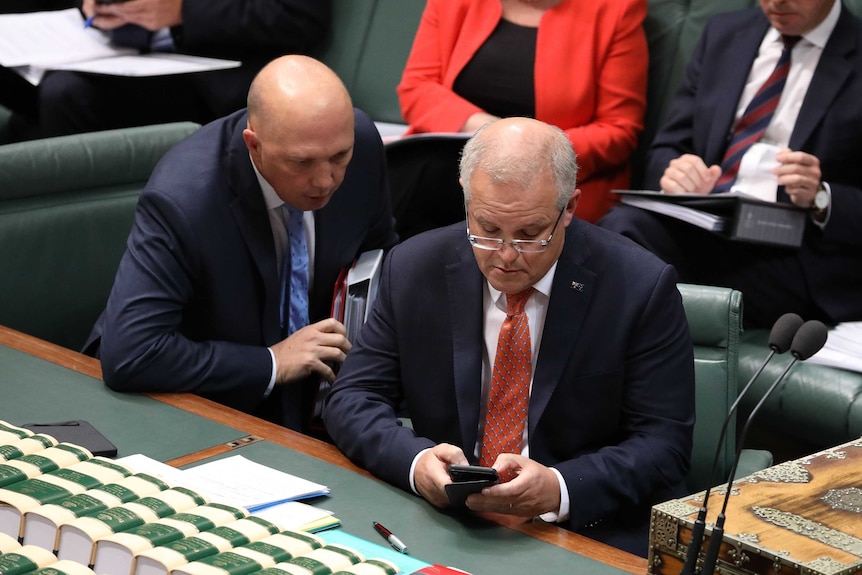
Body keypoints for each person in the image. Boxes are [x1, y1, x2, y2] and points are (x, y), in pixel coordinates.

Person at [323, 117, 695, 557]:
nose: (504, 256)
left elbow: (664, 444)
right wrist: (416, 463)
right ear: (466, 197)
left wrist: (559, 487)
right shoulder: (414, 267)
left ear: (569, 207)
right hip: (439, 522)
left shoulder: (640, 287)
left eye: (530, 235)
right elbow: (352, 397)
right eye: (486, 229)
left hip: (579, 533)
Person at [83, 55, 398, 435]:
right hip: (201, 408)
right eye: (301, 163)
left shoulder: (361, 144)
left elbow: (381, 257)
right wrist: (272, 362)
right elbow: (133, 353)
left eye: (338, 157)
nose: (325, 180)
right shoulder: (185, 198)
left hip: (325, 406)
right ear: (254, 145)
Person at [599, 0, 862, 329]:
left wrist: (822, 197)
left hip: (798, 254)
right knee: (621, 227)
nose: (777, 2)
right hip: (707, 225)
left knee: (634, 286)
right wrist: (677, 171)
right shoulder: (725, 34)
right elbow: (668, 146)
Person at [395, 0, 648, 224]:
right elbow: (417, 88)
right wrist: (491, 132)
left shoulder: (616, 8)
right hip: (447, 162)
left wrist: (532, 150)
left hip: (544, 180)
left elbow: (619, 129)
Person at [0, 0, 330, 141]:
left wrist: (183, 11)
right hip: (113, 51)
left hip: (210, 77)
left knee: (65, 94)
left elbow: (299, 16)